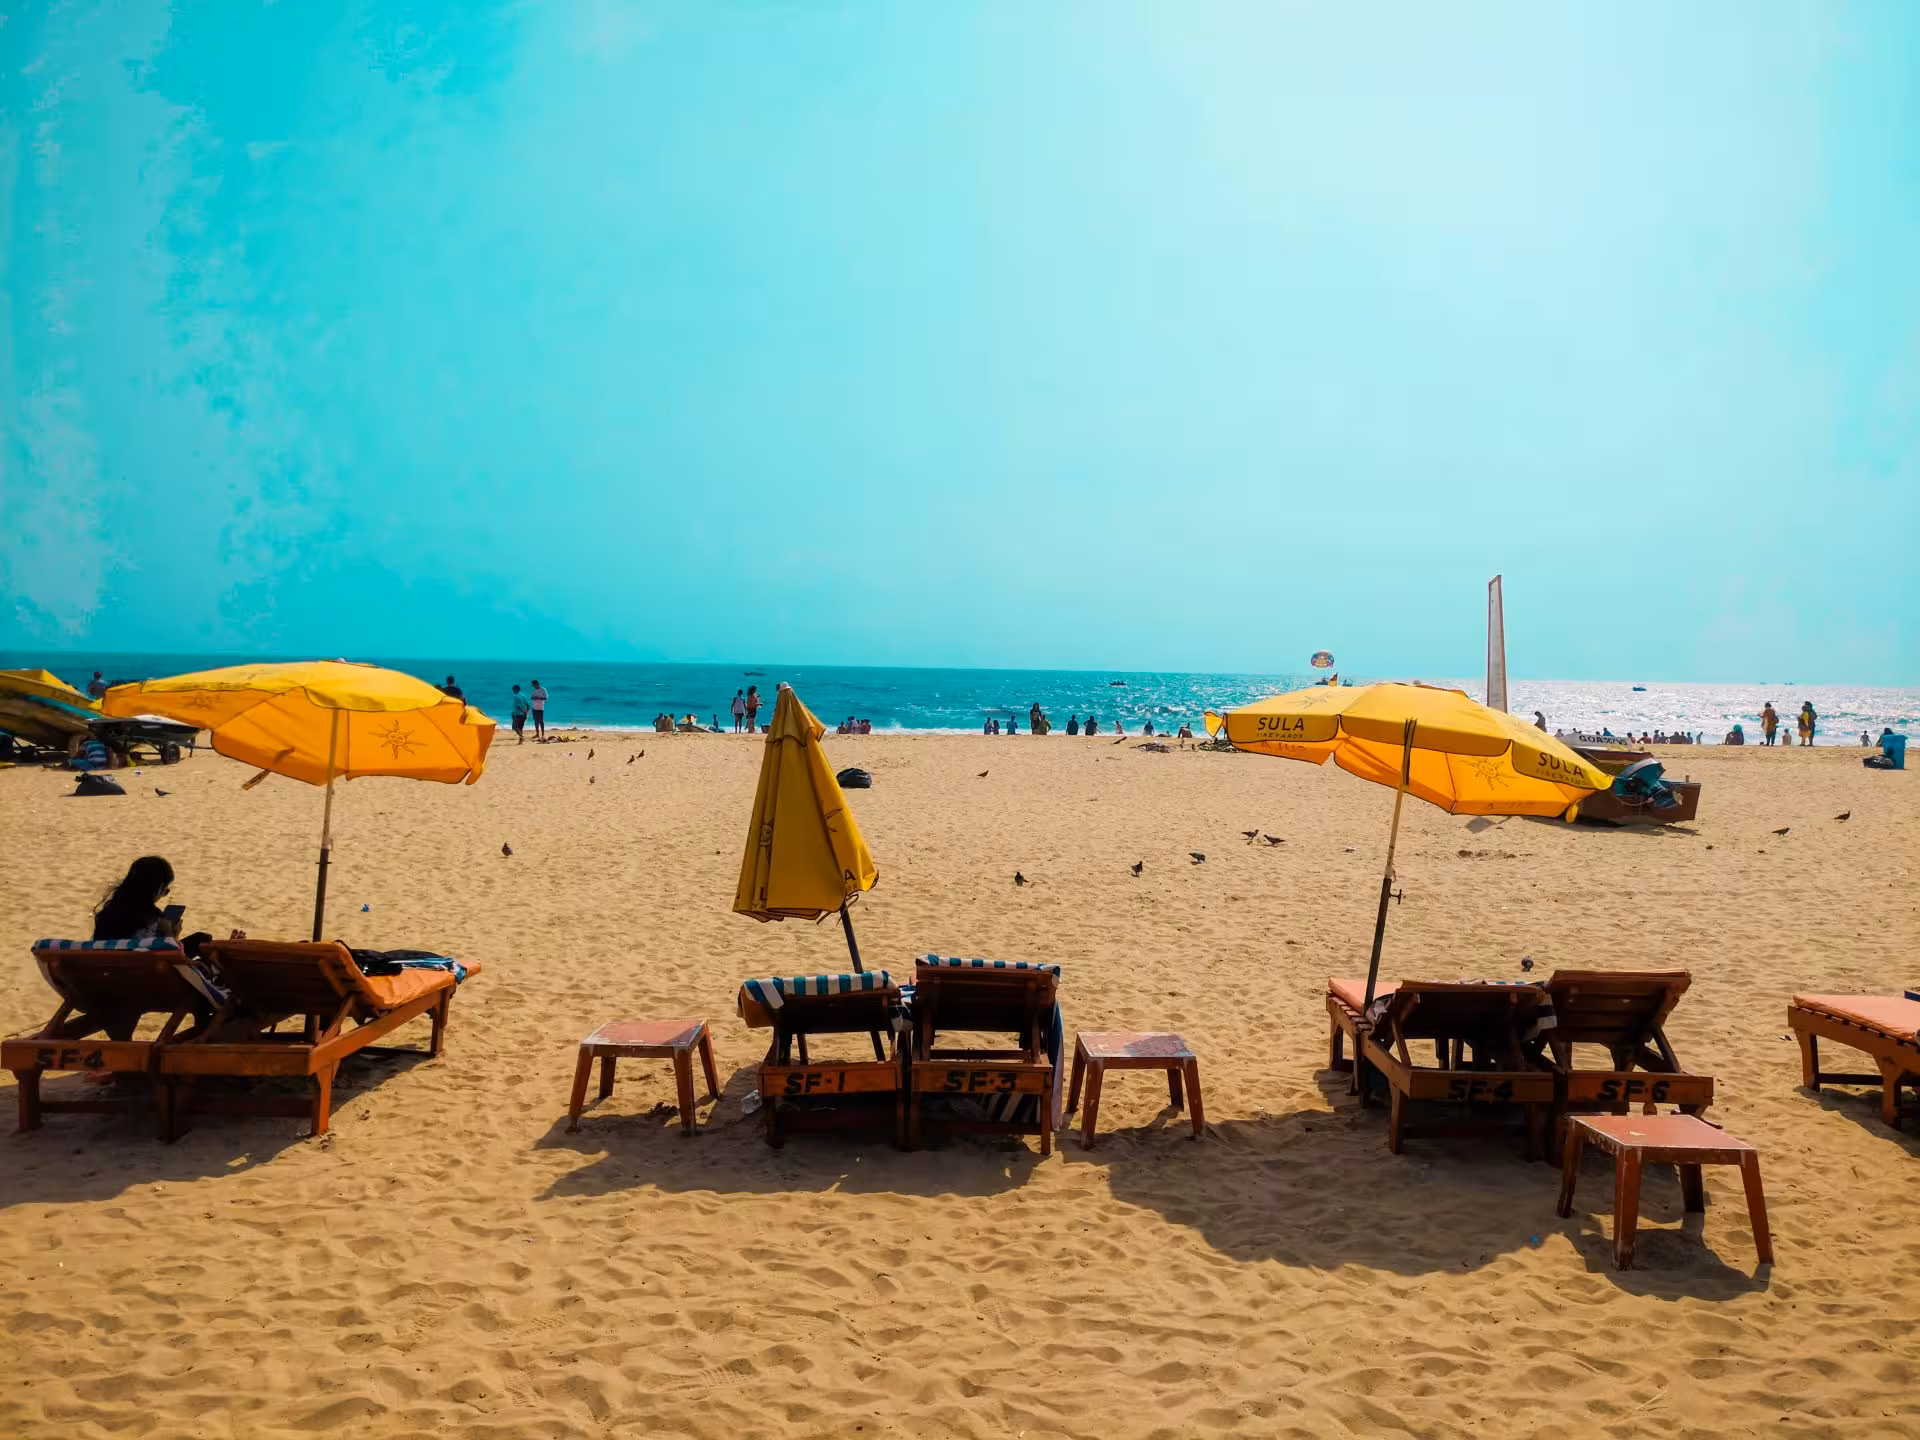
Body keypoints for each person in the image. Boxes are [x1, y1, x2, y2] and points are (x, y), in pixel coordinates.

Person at [92, 856, 217, 959]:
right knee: (203, 940)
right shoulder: (154, 920)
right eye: (165, 890)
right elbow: (174, 957)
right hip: (148, 971)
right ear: (157, 889)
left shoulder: (106, 915)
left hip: (112, 968)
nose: (165, 893)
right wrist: (172, 934)